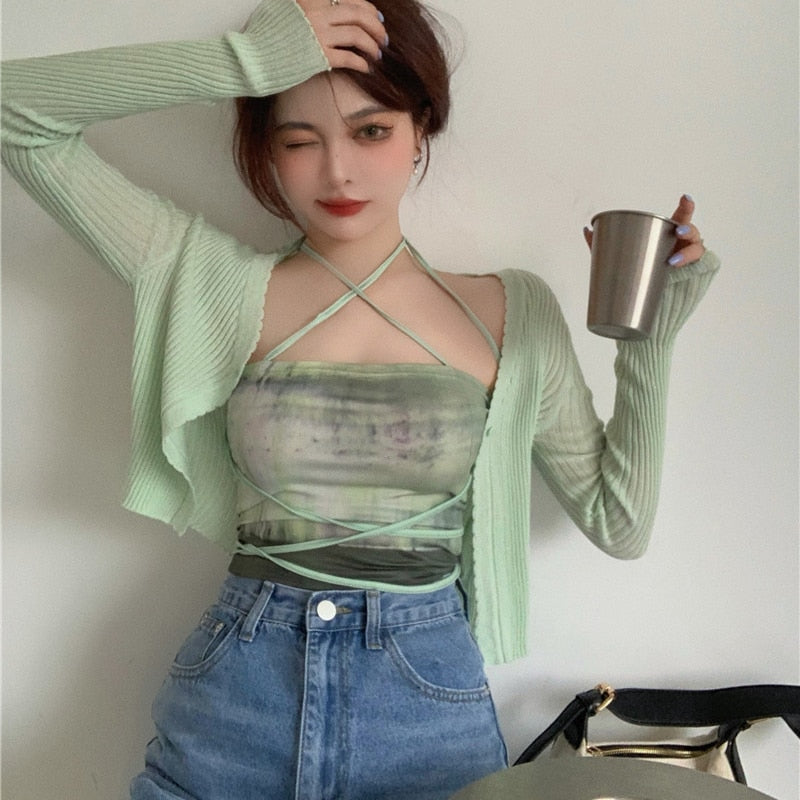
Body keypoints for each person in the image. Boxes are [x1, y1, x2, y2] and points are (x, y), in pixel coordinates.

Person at [1, 0, 718, 797]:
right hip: (236, 701)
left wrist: (650, 341)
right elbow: (15, 112)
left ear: (421, 130)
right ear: (267, 153)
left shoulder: (509, 312)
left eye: (371, 130)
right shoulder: (210, 281)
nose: (337, 172)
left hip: (423, 712)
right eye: (298, 139)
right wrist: (248, 64)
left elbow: (620, 523)